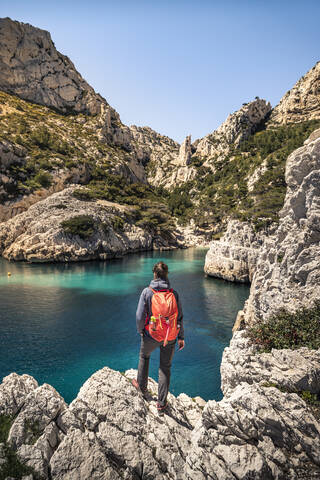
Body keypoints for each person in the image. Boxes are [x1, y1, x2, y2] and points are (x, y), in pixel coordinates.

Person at [132, 261, 185, 411]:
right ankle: (161, 403)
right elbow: (180, 317)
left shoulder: (147, 292)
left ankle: (141, 388)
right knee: (165, 367)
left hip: (152, 335)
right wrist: (181, 337)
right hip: (170, 336)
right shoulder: (173, 293)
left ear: (154, 274)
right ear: (167, 275)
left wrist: (141, 330)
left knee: (144, 356)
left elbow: (139, 316)